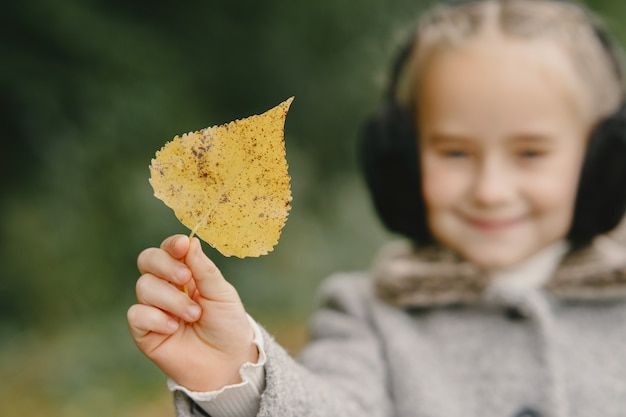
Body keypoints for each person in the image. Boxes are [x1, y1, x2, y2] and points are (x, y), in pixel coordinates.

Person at [127, 0, 626, 416]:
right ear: (400, 161)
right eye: (455, 152)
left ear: (604, 159)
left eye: (530, 154)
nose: (490, 190)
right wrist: (238, 375)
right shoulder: (369, 318)